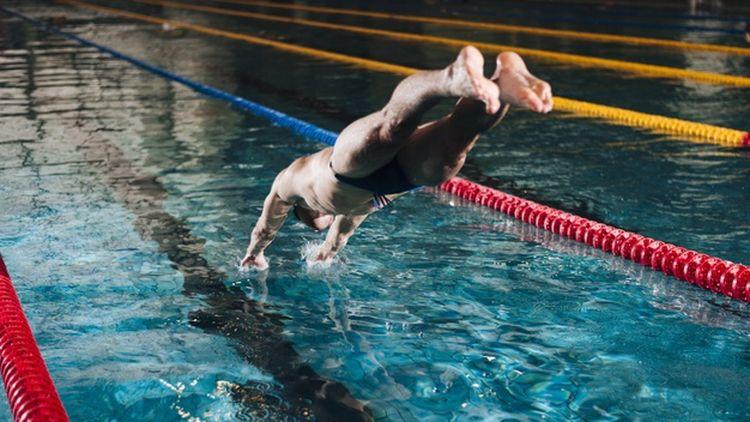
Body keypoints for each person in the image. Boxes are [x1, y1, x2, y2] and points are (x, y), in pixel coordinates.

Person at [241, 46, 553, 269]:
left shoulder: (292, 185)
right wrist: (326, 252)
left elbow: (266, 224)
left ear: (308, 217)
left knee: (394, 125)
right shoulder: (348, 214)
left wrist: (255, 253)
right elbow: (339, 235)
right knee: (456, 137)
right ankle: (502, 84)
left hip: (345, 169)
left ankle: (451, 78)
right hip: (397, 179)